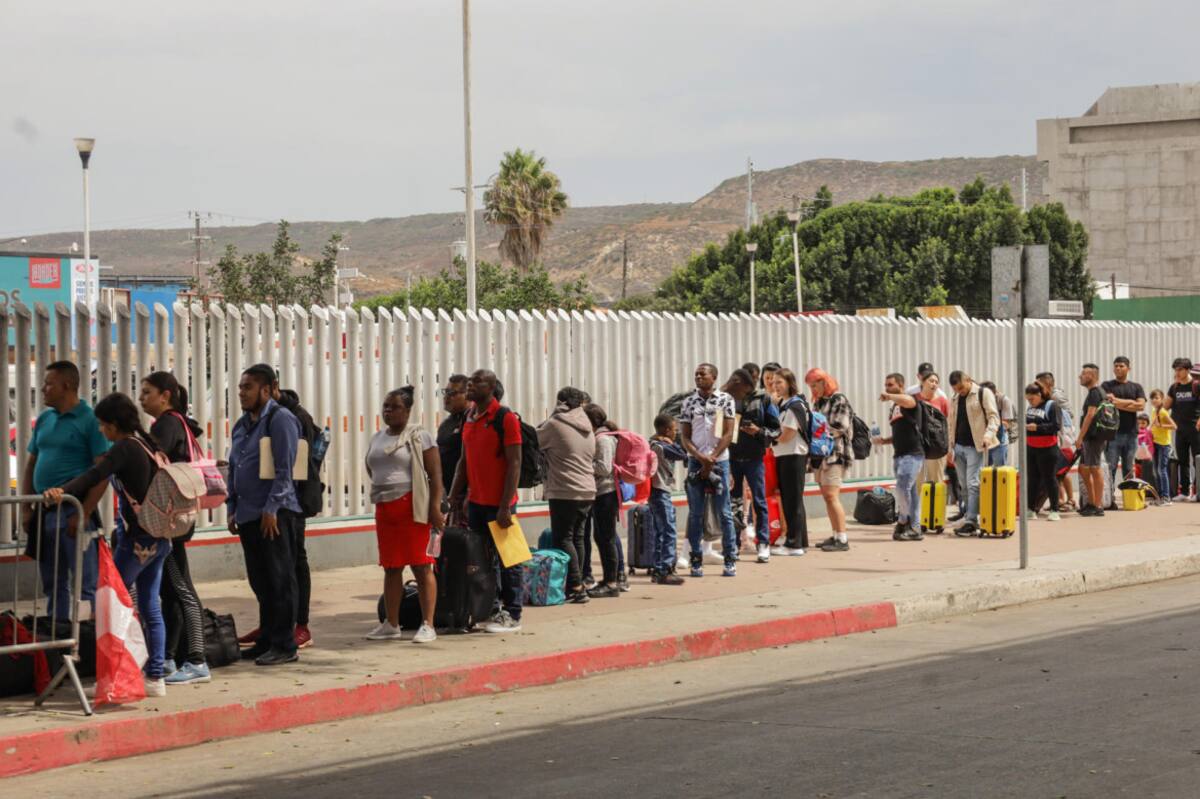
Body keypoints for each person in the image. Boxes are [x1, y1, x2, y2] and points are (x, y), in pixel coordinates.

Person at [45, 393, 170, 697]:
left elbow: (94, 475)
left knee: (111, 604)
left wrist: (63, 490)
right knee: (150, 605)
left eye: (103, 425)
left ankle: (114, 678)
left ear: (114, 425)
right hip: (159, 537)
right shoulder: (146, 443)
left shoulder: (125, 448)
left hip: (139, 541)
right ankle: (155, 677)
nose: (101, 430)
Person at [227, 364, 304, 666]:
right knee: (260, 581)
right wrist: (232, 507)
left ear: (267, 388)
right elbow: (234, 467)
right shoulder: (242, 425)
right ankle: (267, 639)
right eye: (240, 388)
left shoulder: (280, 419)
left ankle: (285, 645)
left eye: (248, 387)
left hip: (274, 515)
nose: (242, 393)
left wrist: (272, 508)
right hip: (247, 514)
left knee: (280, 580)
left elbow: (286, 470)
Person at [139, 371, 211, 686]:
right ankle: (168, 657)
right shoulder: (177, 423)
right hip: (173, 518)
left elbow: (153, 466)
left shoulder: (167, 424)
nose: (142, 398)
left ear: (165, 395)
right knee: (169, 589)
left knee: (181, 588)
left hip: (169, 521)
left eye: (147, 392)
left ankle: (197, 659)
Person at [23, 361, 109, 621]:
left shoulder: (90, 420)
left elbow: (102, 471)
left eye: (49, 383)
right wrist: (26, 507)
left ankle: (85, 640)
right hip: (45, 510)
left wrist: (85, 511)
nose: (43, 388)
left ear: (67, 386)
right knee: (52, 579)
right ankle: (58, 631)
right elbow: (32, 462)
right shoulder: (45, 419)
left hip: (73, 509)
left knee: (85, 581)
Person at [448, 369, 525, 633]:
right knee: (481, 561)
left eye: (477, 382)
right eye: (469, 382)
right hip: (477, 503)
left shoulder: (505, 418)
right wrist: (454, 496)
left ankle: (513, 613)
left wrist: (505, 505)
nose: (470, 386)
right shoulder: (470, 417)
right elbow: (464, 461)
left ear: (491, 387)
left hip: (501, 503)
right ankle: (490, 609)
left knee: (509, 558)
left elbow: (515, 463)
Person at [364, 387, 443, 642]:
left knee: (421, 566)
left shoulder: (420, 437)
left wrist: (434, 507)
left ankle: (428, 624)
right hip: (385, 509)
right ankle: (392, 623)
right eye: (386, 406)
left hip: (412, 508)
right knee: (391, 567)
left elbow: (435, 475)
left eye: (395, 406)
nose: (388, 411)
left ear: (408, 410)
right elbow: (371, 467)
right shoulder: (378, 437)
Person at [271, 377, 318, 650]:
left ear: (272, 389)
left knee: (295, 562)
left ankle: (301, 625)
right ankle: (277, 623)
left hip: (294, 502)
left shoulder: (294, 417)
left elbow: (296, 465)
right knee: (278, 565)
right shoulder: (267, 417)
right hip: (277, 502)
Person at [536, 387, 596, 603]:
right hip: (588, 490)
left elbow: (535, 439)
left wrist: (553, 414)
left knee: (563, 538)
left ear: (560, 403)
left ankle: (576, 586)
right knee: (577, 538)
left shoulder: (555, 423)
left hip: (565, 490)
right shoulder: (587, 426)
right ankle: (577, 584)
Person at [679, 363, 738, 577]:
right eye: (696, 374)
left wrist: (712, 457)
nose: (698, 376)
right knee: (696, 513)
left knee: (724, 512)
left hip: (719, 461)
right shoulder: (688, 402)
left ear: (714, 377)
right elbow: (685, 436)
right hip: (696, 461)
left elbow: (729, 433)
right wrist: (700, 457)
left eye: (702, 374)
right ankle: (696, 559)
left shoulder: (726, 400)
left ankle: (730, 558)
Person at [724, 368, 780, 563]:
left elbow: (776, 430)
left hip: (755, 458)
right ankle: (734, 545)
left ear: (746, 385)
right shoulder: (728, 399)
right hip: (732, 457)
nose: (733, 386)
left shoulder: (763, 399)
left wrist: (757, 431)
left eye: (736, 382)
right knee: (734, 503)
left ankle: (763, 543)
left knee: (759, 500)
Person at [945, 370, 1000, 537]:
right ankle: (971, 517)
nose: (960, 391)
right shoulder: (955, 398)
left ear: (968, 380)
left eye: (961, 387)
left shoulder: (983, 393)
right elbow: (950, 423)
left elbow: (993, 417)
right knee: (964, 485)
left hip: (976, 446)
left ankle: (970, 521)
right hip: (958, 447)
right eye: (956, 389)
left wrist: (988, 435)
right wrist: (950, 448)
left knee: (972, 483)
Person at [804, 368, 854, 552]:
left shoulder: (838, 399)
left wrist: (817, 433)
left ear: (825, 382)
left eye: (816, 384)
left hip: (836, 454)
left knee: (832, 495)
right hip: (821, 456)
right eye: (810, 386)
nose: (813, 389)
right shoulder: (818, 402)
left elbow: (840, 426)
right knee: (827, 496)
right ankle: (835, 534)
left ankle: (842, 538)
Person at [875, 374, 924, 541]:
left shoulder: (909, 400)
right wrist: (884, 441)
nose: (887, 387)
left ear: (901, 385)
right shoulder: (895, 407)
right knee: (910, 491)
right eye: (886, 385)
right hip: (899, 455)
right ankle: (915, 528)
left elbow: (908, 401)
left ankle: (903, 521)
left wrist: (889, 396)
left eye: (890, 385)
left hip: (913, 454)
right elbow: (899, 433)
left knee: (902, 488)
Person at [582, 404, 623, 597]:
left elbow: (604, 468)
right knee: (602, 537)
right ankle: (609, 579)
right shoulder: (601, 437)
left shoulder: (603, 439)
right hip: (601, 493)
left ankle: (611, 582)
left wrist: (582, 463)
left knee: (606, 538)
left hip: (606, 493)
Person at [769, 368, 809, 556]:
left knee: (792, 500)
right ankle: (799, 540)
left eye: (780, 382)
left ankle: (794, 544)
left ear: (789, 383)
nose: (775, 385)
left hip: (793, 455)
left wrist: (769, 438)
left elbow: (787, 435)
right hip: (784, 455)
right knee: (791, 499)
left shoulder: (795, 405)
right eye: (774, 382)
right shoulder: (784, 404)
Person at [1101, 356, 1147, 504]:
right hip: (1113, 433)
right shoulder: (1107, 385)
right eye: (1116, 366)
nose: (1118, 368)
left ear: (1128, 368)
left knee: (1128, 468)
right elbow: (1109, 403)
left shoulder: (1136, 387)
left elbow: (1141, 406)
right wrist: (1131, 403)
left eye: (1121, 366)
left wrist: (1119, 402)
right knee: (1111, 467)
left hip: (1131, 434)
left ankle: (1129, 499)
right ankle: (1110, 499)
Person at [648, 414, 686, 584]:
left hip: (656, 492)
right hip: (660, 491)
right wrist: (674, 443)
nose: (675, 433)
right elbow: (683, 454)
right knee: (669, 531)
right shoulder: (661, 447)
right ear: (666, 430)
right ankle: (666, 569)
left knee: (660, 531)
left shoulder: (652, 443)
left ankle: (657, 568)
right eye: (674, 430)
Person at [1036, 372, 1077, 511]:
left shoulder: (1055, 396)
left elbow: (1068, 415)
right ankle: (1060, 499)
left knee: (1060, 470)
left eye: (1039, 383)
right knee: (1057, 470)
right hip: (1058, 435)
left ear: (1048, 383)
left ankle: (1069, 499)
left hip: (1062, 437)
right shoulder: (1047, 396)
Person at [1024, 382, 1062, 522]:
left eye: (1032, 398)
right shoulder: (1030, 407)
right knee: (1032, 479)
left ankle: (1054, 509)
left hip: (1048, 448)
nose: (1030, 401)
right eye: (1028, 399)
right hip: (1031, 447)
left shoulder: (1051, 405)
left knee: (1049, 478)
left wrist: (1038, 428)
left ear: (1039, 395)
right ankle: (1030, 509)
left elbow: (1056, 425)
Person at [1075, 363, 1108, 517]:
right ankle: (1091, 502)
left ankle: (1098, 505)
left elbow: (1090, 415)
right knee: (1083, 468)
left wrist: (1080, 437)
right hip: (1091, 437)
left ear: (1091, 376)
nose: (1080, 377)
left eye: (1083, 374)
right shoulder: (1095, 392)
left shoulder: (1095, 392)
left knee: (1095, 468)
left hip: (1094, 437)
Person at [1162, 358, 1199, 500]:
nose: (1177, 372)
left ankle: (1197, 492)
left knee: (1197, 460)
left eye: (1180, 369)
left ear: (1188, 370)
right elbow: (1165, 407)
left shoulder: (1196, 385)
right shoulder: (1174, 387)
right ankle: (1184, 492)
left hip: (1195, 429)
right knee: (1183, 461)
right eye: (1175, 370)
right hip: (1180, 430)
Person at [437, 374, 470, 495]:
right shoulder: (446, 424)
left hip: (469, 495)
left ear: (467, 395)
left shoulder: (473, 421)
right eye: (445, 392)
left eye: (452, 393)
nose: (446, 397)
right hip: (449, 493)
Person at [916, 371, 950, 485]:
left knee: (936, 481)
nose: (934, 384)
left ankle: (936, 503)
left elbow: (948, 424)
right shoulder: (914, 400)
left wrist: (949, 447)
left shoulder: (942, 401)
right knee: (917, 482)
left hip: (936, 447)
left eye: (936, 382)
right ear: (922, 382)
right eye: (931, 381)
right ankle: (919, 503)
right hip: (918, 447)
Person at [1149, 389, 1176, 505]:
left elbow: (1174, 426)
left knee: (1162, 470)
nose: (1154, 400)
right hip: (1155, 443)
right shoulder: (1154, 411)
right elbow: (1153, 426)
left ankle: (1166, 497)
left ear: (1162, 399)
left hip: (1164, 444)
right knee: (1156, 471)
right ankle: (1159, 497)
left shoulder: (1163, 412)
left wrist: (1161, 425)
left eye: (1157, 398)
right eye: (1152, 398)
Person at [979, 381, 1015, 467]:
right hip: (984, 439)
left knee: (999, 469)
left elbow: (1007, 423)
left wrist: (992, 423)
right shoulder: (979, 399)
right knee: (985, 469)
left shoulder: (1003, 400)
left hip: (999, 440)